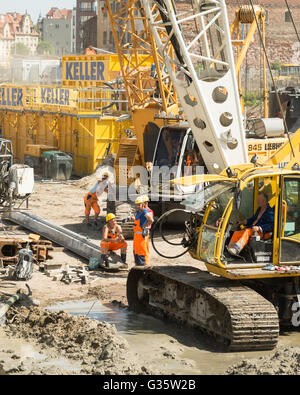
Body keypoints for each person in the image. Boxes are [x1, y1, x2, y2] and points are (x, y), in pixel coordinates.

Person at [132, 196, 154, 266]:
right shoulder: (138, 211)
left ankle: (143, 268)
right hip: (136, 237)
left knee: (142, 252)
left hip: (141, 236)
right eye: (136, 205)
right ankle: (138, 267)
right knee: (136, 251)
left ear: (143, 204)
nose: (137, 206)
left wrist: (145, 226)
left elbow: (151, 220)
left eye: (139, 204)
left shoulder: (145, 211)